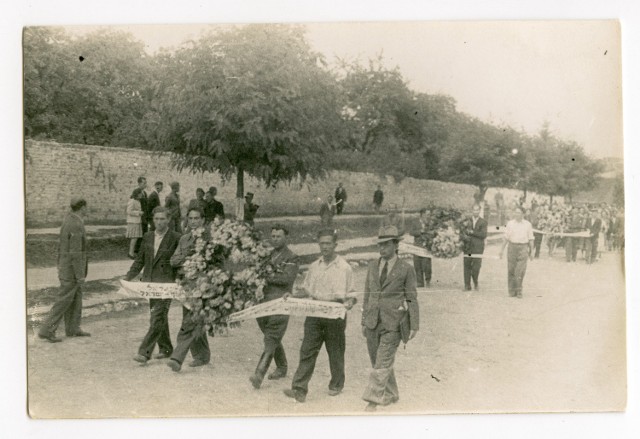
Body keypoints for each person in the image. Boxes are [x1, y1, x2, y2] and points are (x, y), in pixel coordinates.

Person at [283, 229, 356, 403]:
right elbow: (306, 290)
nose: (325, 247)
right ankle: (299, 389)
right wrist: (292, 295)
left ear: (335, 245)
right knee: (307, 350)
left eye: (328, 243)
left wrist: (350, 303)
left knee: (335, 351)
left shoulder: (345, 268)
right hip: (315, 313)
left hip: (335, 312)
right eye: (322, 243)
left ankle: (336, 384)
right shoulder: (314, 267)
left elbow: (352, 295)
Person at [361, 225, 419, 412]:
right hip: (372, 321)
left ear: (396, 245)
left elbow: (411, 297)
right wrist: (364, 319)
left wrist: (414, 325)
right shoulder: (372, 266)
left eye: (386, 245)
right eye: (380, 245)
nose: (382, 249)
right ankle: (392, 393)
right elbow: (367, 294)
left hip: (393, 323)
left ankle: (372, 400)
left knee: (382, 361)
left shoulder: (406, 269)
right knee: (377, 361)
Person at [125, 207, 181, 363]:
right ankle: (166, 348)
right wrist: (128, 277)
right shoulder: (148, 236)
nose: (159, 222)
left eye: (162, 219)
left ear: (169, 220)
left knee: (157, 317)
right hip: (150, 283)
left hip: (167, 284)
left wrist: (179, 280)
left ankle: (144, 352)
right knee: (158, 316)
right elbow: (140, 260)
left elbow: (180, 262)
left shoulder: (176, 238)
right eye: (156, 219)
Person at [249, 224, 299, 389]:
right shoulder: (266, 255)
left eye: (278, 236)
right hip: (263, 303)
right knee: (271, 335)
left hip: (281, 302)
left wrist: (267, 276)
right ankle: (282, 366)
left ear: (286, 238)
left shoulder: (291, 257)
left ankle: (259, 373)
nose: (275, 239)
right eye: (273, 236)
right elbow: (258, 272)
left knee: (271, 337)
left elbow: (287, 279)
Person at [38, 198, 91, 342]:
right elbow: (75, 252)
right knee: (64, 300)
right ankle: (47, 329)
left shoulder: (69, 219)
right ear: (82, 208)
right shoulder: (75, 224)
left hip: (66, 267)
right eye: (86, 207)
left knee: (76, 298)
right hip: (71, 270)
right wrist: (80, 275)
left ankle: (73, 328)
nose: (87, 210)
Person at [166, 207, 211, 372]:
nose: (193, 221)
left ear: (203, 220)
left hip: (203, 284)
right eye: (191, 218)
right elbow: (173, 260)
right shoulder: (184, 239)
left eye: (197, 218)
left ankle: (177, 357)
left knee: (190, 321)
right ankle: (202, 355)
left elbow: (213, 261)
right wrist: (189, 257)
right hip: (186, 284)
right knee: (193, 319)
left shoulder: (209, 239)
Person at [499, 206, 534, 298]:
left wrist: (532, 251)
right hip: (512, 247)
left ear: (523, 214)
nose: (516, 214)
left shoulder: (528, 224)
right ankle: (511, 291)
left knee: (520, 271)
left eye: (519, 213)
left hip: (523, 248)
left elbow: (531, 238)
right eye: (515, 212)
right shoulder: (510, 224)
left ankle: (519, 290)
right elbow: (506, 237)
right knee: (511, 270)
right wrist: (501, 250)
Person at [463, 204, 488, 291]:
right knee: (467, 265)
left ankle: (475, 281)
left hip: (478, 248)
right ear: (472, 210)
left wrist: (472, 232)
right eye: (474, 210)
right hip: (468, 247)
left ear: (479, 211)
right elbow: (463, 231)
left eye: (477, 210)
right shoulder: (466, 221)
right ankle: (467, 285)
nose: (475, 212)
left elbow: (483, 234)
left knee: (476, 267)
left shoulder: (483, 222)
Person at [410, 208, 432, 288]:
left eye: (429, 214)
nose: (428, 216)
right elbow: (411, 232)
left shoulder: (430, 223)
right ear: (422, 214)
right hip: (417, 246)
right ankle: (420, 282)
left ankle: (428, 280)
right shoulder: (415, 222)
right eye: (427, 214)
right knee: (417, 265)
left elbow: (433, 232)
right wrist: (420, 232)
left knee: (427, 265)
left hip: (426, 246)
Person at [126, 188, 144, 259]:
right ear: (137, 194)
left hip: (137, 221)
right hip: (133, 221)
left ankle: (132, 252)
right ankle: (131, 253)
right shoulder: (132, 201)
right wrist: (138, 213)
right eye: (140, 193)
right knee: (134, 237)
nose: (141, 195)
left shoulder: (137, 201)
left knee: (135, 237)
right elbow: (128, 211)